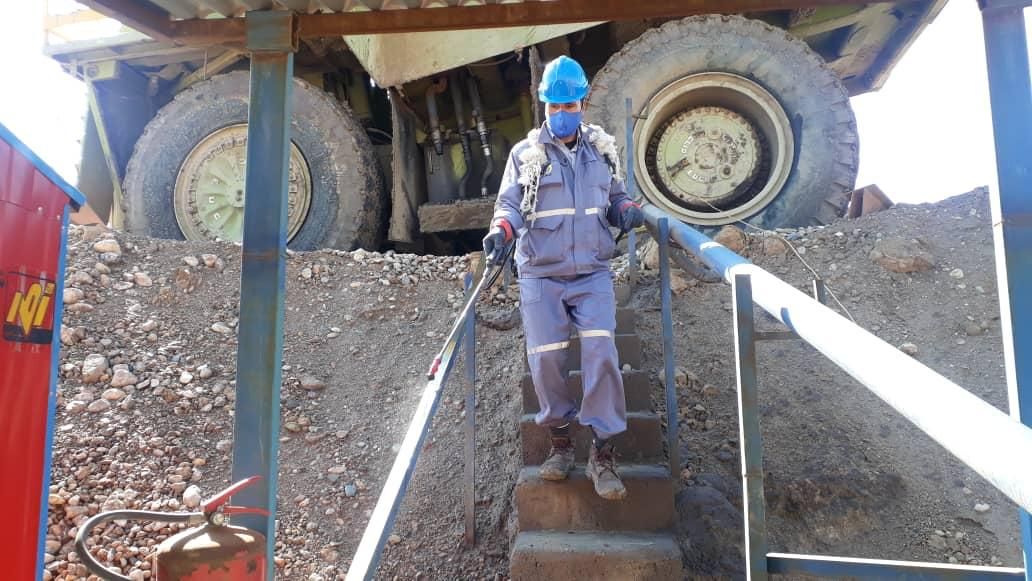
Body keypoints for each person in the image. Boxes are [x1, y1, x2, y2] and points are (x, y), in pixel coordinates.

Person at [482, 55, 644, 500]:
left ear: (582, 104)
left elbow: (615, 195)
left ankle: (603, 454)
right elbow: (509, 205)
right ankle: (560, 445)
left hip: (592, 272)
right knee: (547, 361)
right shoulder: (526, 155)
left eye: (568, 105)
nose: (561, 113)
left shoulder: (602, 150)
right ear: (544, 106)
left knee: (602, 353)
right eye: (554, 106)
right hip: (541, 275)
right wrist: (502, 230)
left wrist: (625, 210)